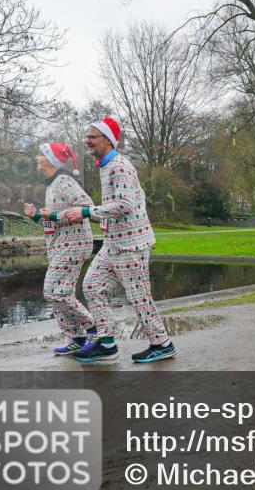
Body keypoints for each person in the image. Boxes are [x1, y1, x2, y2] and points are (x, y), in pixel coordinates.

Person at [61, 116, 176, 363]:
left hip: (131, 245)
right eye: (87, 136)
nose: (87, 140)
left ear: (108, 140)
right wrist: (106, 219)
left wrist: (86, 212)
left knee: (138, 296)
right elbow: (130, 201)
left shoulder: (120, 166)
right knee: (92, 286)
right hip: (114, 243)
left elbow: (125, 204)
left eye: (92, 137)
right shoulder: (106, 165)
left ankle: (162, 344)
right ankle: (106, 343)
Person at [23, 142, 95, 356]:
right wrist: (36, 215)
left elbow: (87, 207)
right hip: (60, 245)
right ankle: (76, 337)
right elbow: (54, 220)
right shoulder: (52, 184)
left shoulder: (64, 181)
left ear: (51, 160)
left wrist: (53, 215)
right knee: (60, 294)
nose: (36, 158)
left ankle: (94, 328)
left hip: (74, 244)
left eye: (40, 154)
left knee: (53, 291)